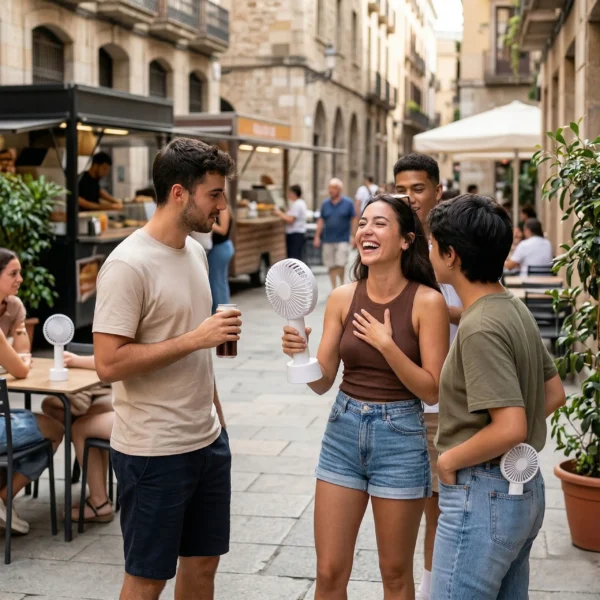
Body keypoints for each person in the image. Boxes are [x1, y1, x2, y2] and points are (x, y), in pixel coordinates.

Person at [93, 138, 240, 600]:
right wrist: (197, 337)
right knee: (148, 578)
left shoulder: (195, 251)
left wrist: (218, 422)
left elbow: (196, 352)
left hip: (207, 440)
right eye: (214, 193)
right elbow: (108, 362)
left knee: (203, 566)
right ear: (180, 193)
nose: (222, 205)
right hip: (154, 451)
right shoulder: (127, 265)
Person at [282, 194, 450, 599]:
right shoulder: (342, 297)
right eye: (362, 223)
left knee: (394, 574)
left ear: (407, 239)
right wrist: (299, 355)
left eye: (379, 224)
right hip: (343, 431)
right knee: (328, 572)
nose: (366, 231)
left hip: (402, 437)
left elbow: (432, 388)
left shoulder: (428, 302)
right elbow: (323, 381)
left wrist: (387, 345)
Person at [428, 194, 566, 599]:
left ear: (451, 255)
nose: (429, 252)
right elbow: (553, 393)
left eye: (433, 245)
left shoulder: (480, 328)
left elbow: (511, 425)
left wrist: (448, 460)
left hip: (482, 491)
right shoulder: (510, 308)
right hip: (520, 490)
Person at [394, 153, 462, 600]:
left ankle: (432, 587)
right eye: (401, 189)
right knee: (405, 510)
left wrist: (436, 311)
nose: (409, 198)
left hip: (451, 402)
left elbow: (487, 303)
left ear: (438, 190)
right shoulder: (395, 242)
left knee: (442, 508)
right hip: (402, 401)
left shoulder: (459, 241)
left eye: (417, 189)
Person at [0, 248, 64, 535]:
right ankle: (2, 499)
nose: (20, 279)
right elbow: (23, 368)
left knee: (32, 424)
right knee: (54, 428)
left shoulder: (13, 307)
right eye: (13, 273)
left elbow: (22, 352)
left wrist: (19, 327)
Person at [314, 178, 357, 290]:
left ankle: (341, 285)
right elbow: (320, 221)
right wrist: (317, 236)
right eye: (329, 188)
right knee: (330, 264)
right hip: (328, 239)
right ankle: (334, 288)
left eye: (332, 188)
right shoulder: (325, 204)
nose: (330, 190)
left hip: (343, 238)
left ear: (339, 189)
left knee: (341, 263)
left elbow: (354, 220)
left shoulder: (348, 203)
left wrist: (354, 236)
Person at [208, 205, 235, 314]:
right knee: (219, 281)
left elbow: (223, 230)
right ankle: (223, 312)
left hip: (220, 247)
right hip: (220, 248)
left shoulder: (223, 209)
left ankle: (220, 313)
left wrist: (209, 223)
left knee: (216, 282)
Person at [274, 184, 307, 261]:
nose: (288, 195)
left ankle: (293, 273)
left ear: (294, 193)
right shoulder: (299, 203)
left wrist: (279, 213)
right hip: (296, 234)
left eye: (290, 193)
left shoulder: (298, 204)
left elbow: (290, 220)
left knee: (294, 258)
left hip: (295, 234)